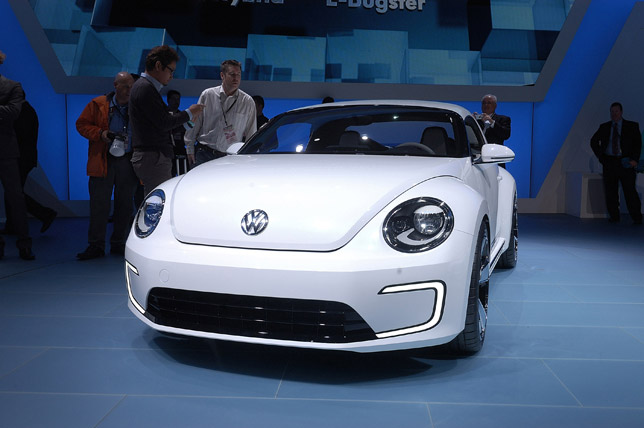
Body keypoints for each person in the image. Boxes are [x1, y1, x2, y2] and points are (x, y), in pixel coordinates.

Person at [75, 72, 139, 260]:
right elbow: (81, 125)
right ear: (115, 85)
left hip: (128, 159)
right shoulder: (98, 104)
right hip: (103, 158)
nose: (129, 90)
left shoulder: (138, 106)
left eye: (132, 87)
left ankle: (119, 242)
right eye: (125, 86)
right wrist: (101, 134)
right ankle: (96, 245)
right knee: (99, 205)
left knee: (125, 205)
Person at [129, 46, 204, 196]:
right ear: (158, 66)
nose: (171, 76)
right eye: (171, 70)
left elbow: (160, 124)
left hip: (152, 156)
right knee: (157, 202)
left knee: (155, 199)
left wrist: (188, 122)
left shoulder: (145, 87)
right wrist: (190, 112)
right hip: (153, 157)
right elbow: (164, 123)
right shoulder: (145, 88)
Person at [185, 59, 256, 167]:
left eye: (238, 74)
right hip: (204, 153)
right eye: (232, 74)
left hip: (231, 158)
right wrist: (189, 148)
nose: (236, 78)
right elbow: (195, 123)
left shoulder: (247, 101)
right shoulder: (208, 95)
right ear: (222, 75)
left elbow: (251, 133)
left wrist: (248, 158)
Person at [3, 97, 57, 235]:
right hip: (23, 157)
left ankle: (44, 214)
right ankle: (15, 224)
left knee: (13, 192)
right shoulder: (26, 110)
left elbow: (17, 135)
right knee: (13, 192)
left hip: (19, 157)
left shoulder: (22, 111)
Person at [0, 50, 35, 260]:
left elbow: (13, 113)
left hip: (5, 150)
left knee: (15, 198)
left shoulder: (13, 86)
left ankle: (24, 243)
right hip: (6, 147)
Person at [590, 102, 642, 224]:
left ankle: (637, 217)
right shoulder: (604, 127)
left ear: (621, 112)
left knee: (630, 191)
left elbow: (638, 144)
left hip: (625, 162)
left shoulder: (632, 126)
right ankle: (614, 216)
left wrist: (634, 159)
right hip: (610, 162)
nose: (614, 114)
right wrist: (601, 157)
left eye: (616, 111)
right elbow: (593, 141)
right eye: (612, 112)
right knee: (610, 192)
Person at [167, 89, 188, 175]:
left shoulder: (183, 116)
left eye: (178, 99)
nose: (176, 102)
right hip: (167, 149)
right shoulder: (163, 115)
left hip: (180, 148)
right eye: (174, 99)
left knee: (182, 174)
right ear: (168, 100)